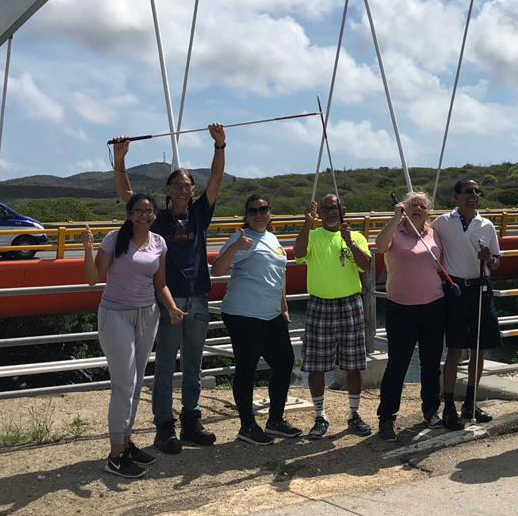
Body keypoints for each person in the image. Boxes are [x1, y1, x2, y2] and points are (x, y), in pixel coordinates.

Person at [112, 123, 226, 454]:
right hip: (166, 302)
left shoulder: (200, 214)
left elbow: (216, 180)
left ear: (193, 191)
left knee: (193, 364)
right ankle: (165, 426)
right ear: (167, 189)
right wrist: (120, 160)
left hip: (198, 299)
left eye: (187, 186)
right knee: (164, 365)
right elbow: (126, 195)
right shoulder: (155, 218)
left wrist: (220, 146)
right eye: (177, 185)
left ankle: (191, 421)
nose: (182, 190)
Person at [83, 193, 186, 479]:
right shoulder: (114, 239)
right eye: (139, 211)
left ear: (155, 214)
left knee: (137, 382)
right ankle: (115, 455)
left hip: (148, 314)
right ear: (129, 213)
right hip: (116, 314)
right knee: (124, 384)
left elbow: (160, 283)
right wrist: (88, 249)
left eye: (149, 211)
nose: (144, 215)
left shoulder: (159, 242)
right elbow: (93, 278)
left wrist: (172, 307)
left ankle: (126, 444)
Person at [213, 194, 299, 445]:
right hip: (243, 315)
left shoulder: (272, 238)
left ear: (270, 212)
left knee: (284, 362)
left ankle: (275, 420)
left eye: (264, 209)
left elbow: (278, 274)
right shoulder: (241, 239)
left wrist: (283, 307)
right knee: (246, 369)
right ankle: (247, 426)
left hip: (272, 314)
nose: (259, 214)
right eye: (253, 211)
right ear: (246, 215)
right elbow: (218, 270)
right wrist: (236, 247)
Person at [293, 193, 373, 439]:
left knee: (353, 363)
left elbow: (366, 265)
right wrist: (307, 223)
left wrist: (350, 243)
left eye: (334, 208)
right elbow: (297, 253)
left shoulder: (355, 236)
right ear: (319, 212)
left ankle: (354, 414)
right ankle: (320, 415)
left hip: (350, 304)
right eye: (325, 208)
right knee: (317, 365)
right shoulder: (314, 236)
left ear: (342, 211)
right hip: (320, 305)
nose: (330, 212)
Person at [374, 192, 448, 441]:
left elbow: (441, 261)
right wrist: (395, 219)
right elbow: (379, 246)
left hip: (433, 305)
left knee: (431, 361)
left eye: (423, 205)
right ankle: (387, 417)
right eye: (413, 204)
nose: (418, 208)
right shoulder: (396, 231)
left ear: (429, 211)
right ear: (404, 207)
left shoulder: (433, 233)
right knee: (398, 364)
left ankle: (430, 409)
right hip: (401, 307)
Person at [432, 178, 501, 427]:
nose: (474, 195)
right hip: (456, 290)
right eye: (469, 191)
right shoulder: (442, 222)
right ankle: (448, 405)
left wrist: (489, 258)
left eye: (477, 191)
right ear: (457, 196)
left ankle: (470, 403)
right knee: (455, 349)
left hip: (481, 287)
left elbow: (496, 263)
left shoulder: (487, 225)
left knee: (479, 349)